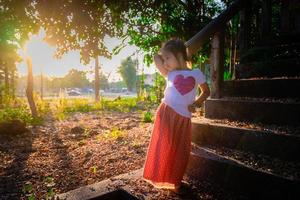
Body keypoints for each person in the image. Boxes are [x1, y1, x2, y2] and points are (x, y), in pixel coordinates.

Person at [142, 38, 210, 195]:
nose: (164, 62)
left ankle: (175, 181)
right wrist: (164, 51)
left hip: (184, 117)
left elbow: (206, 92)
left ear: (180, 55)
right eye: (164, 58)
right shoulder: (170, 73)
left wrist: (197, 103)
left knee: (180, 150)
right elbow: (156, 58)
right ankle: (159, 177)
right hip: (166, 113)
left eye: (168, 58)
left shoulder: (196, 73)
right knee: (163, 146)